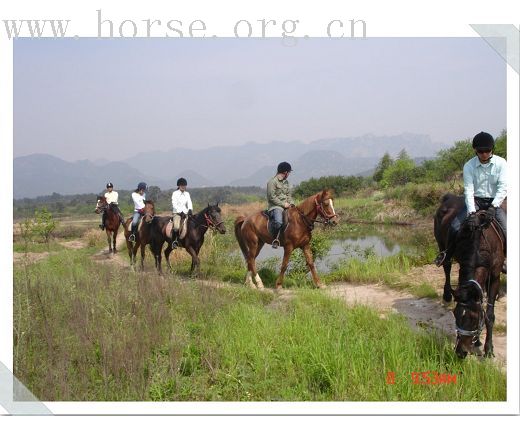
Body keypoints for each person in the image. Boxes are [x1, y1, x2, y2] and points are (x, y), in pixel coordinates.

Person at [435, 131, 507, 272]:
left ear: (492, 149)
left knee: (508, 230)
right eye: (481, 151)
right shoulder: (469, 166)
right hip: (476, 201)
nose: (484, 154)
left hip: (495, 202)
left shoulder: (501, 163)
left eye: (487, 151)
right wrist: (472, 213)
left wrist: (493, 207)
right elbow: (468, 190)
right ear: (475, 150)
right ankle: (447, 254)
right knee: (455, 226)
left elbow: (503, 187)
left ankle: (504, 260)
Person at [267, 162, 294, 249]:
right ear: (286, 172)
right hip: (276, 206)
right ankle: (275, 239)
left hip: (287, 205)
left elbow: (288, 195)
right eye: (289, 172)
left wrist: (291, 203)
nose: (289, 174)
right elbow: (271, 197)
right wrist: (283, 204)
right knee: (278, 222)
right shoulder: (272, 182)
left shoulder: (286, 183)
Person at [171, 177, 193, 249]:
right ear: (179, 186)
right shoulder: (175, 193)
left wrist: (190, 209)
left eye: (184, 185)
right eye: (182, 185)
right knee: (176, 227)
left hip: (186, 212)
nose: (183, 187)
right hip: (177, 213)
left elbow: (189, 202)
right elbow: (174, 204)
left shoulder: (187, 194)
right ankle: (175, 241)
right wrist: (180, 212)